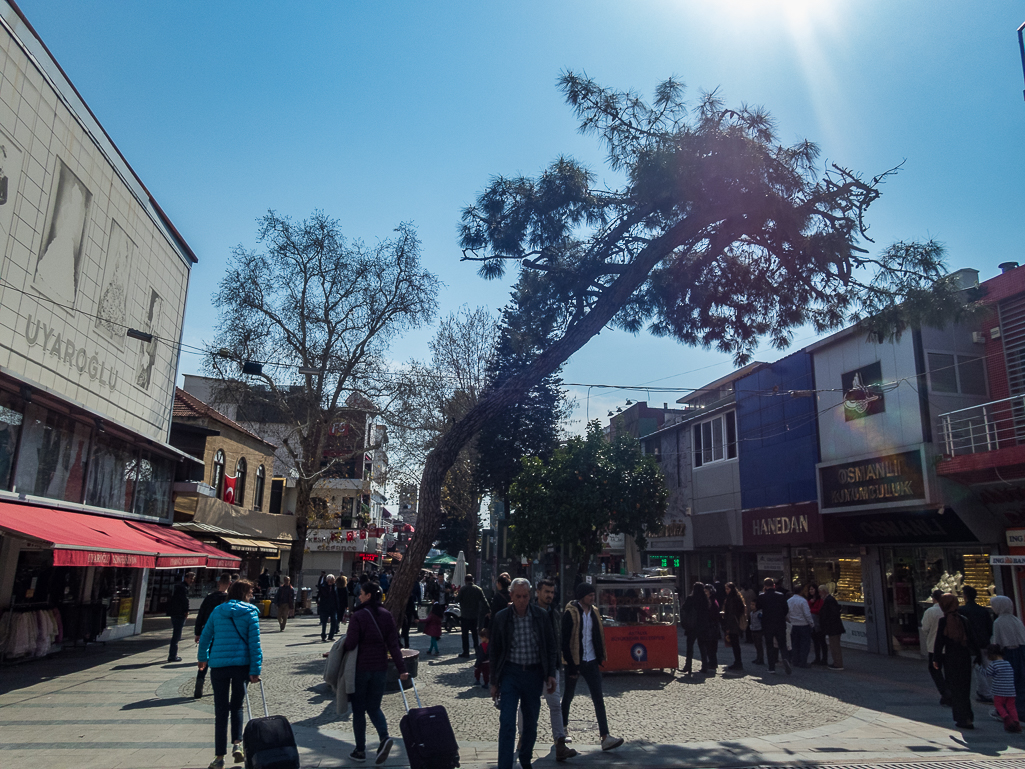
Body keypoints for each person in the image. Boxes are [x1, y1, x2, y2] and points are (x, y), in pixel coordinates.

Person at [489, 578, 558, 769]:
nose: (521, 600)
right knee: (507, 722)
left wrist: (551, 673)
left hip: (533, 674)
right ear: (511, 595)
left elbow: (551, 646)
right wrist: (494, 682)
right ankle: (505, 765)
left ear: (530, 595)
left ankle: (525, 758)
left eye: (525, 596)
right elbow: (494, 651)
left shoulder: (541, 616)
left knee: (530, 723)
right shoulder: (502, 617)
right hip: (511, 673)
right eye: (518, 596)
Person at [197, 579, 262, 769]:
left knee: (220, 710)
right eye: (250, 593)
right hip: (241, 666)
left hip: (218, 665)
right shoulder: (250, 613)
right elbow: (254, 644)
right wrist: (255, 670)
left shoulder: (218, 611)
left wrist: (203, 658)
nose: (251, 596)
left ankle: (219, 757)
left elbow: (206, 636)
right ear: (245, 594)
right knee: (237, 706)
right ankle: (237, 744)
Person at [342, 580, 408, 764]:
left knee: (358, 710)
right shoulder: (387, 615)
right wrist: (402, 669)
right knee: (374, 706)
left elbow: (351, 643)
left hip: (361, 668)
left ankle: (360, 751)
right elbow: (394, 645)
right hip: (380, 668)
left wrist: (342, 644)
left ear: (369, 596)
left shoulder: (358, 616)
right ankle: (384, 736)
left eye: (361, 593)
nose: (359, 596)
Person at [517, 578, 577, 762]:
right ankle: (522, 739)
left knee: (555, 705)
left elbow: (557, 641)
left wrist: (560, 663)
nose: (550, 595)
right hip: (533, 666)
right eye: (546, 592)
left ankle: (560, 743)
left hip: (551, 666)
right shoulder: (530, 611)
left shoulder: (555, 614)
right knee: (526, 705)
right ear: (538, 592)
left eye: (552, 592)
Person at [561, 582, 623, 751]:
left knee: (598, 699)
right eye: (590, 595)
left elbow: (598, 635)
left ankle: (605, 737)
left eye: (593, 595)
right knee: (568, 696)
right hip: (575, 661)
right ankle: (562, 729)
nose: (592, 597)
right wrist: (572, 665)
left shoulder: (595, 612)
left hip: (592, 660)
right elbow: (565, 641)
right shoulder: (571, 613)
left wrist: (600, 656)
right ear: (582, 596)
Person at [934, 592, 979, 729]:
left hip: (951, 658)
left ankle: (961, 718)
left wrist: (937, 660)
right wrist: (978, 655)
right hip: (964, 657)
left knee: (955, 689)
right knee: (965, 688)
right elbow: (972, 639)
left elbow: (939, 642)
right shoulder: (963, 619)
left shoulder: (944, 621)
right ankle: (968, 717)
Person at [193, 574, 231, 698]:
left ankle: (200, 679)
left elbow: (201, 615)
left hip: (208, 631)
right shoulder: (229, 600)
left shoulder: (209, 598)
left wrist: (198, 632)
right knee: (221, 659)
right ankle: (219, 684)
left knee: (205, 657)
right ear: (229, 583)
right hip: (223, 633)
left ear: (219, 583)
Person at [991, 595, 1025, 718]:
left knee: (1006, 684)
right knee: (1020, 682)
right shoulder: (1016, 620)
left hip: (1007, 655)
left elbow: (997, 642)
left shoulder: (998, 622)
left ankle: (1005, 711)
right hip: (1021, 653)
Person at [960, 585, 994, 703]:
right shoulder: (983, 610)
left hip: (972, 644)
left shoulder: (963, 611)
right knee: (987, 666)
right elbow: (990, 628)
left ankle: (985, 692)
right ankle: (988, 691)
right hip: (984, 642)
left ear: (965, 596)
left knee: (978, 668)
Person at [982, 644, 1021, 732]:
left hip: (999, 691)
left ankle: (1007, 719)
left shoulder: (994, 664)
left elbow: (987, 674)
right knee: (1011, 707)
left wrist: (979, 668)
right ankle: (1016, 723)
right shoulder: (1007, 663)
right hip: (1011, 691)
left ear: (992, 655)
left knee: (998, 705)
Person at [756, 577, 791, 675]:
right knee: (782, 644)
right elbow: (786, 609)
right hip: (780, 623)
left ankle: (772, 667)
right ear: (774, 585)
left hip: (768, 624)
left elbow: (758, 607)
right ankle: (785, 658)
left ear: (765, 586)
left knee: (769, 645)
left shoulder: (762, 596)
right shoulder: (781, 596)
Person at [922, 589, 951, 705]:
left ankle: (945, 692)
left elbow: (925, 628)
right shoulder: (950, 610)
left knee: (934, 669)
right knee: (948, 670)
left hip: (934, 646)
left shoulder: (931, 611)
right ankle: (948, 692)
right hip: (949, 647)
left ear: (934, 599)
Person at [679, 582, 709, 675]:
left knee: (690, 647)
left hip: (692, 626)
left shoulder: (690, 598)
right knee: (703, 647)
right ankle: (705, 666)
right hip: (702, 626)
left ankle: (688, 666)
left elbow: (684, 609)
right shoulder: (705, 599)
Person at [167, 572, 195, 663]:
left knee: (176, 634)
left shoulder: (180, 587)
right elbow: (184, 601)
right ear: (186, 578)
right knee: (177, 635)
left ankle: (173, 654)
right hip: (179, 614)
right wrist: (186, 611)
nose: (192, 580)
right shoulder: (183, 588)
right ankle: (172, 655)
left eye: (193, 579)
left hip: (175, 613)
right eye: (190, 578)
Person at [457, 574, 487, 658]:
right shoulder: (478, 589)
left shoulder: (463, 589)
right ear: (473, 580)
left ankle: (466, 652)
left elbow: (457, 599)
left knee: (465, 634)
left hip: (465, 615)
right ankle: (477, 650)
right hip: (474, 615)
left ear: (465, 581)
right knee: (474, 633)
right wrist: (488, 610)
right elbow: (484, 601)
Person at [818, 583, 845, 670]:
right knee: (834, 646)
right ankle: (837, 662)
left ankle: (838, 663)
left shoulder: (829, 600)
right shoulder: (829, 600)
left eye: (820, 592)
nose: (819, 594)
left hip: (833, 627)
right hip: (833, 627)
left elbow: (832, 614)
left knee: (834, 646)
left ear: (823, 592)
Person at [721, 581, 746, 671]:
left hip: (733, 625)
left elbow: (731, 614)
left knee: (735, 644)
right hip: (735, 624)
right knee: (735, 644)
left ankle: (738, 662)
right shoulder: (737, 598)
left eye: (728, 589)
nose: (726, 591)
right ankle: (737, 662)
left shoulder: (732, 599)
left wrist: (727, 627)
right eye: (726, 589)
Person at [787, 584, 813, 669]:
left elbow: (787, 613)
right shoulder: (803, 601)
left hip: (794, 624)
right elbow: (807, 614)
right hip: (803, 625)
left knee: (795, 644)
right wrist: (811, 623)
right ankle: (803, 661)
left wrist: (791, 620)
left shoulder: (789, 601)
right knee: (804, 644)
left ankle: (795, 660)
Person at [700, 584, 721, 675]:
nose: (705, 593)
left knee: (711, 645)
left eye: (706, 591)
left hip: (711, 626)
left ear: (710, 592)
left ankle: (713, 663)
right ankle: (712, 662)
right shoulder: (710, 601)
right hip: (711, 626)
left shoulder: (712, 601)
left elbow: (712, 615)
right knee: (710, 646)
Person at [807, 583, 827, 666]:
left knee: (822, 641)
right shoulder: (809, 600)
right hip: (812, 624)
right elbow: (806, 608)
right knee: (815, 642)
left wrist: (810, 610)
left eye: (812, 589)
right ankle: (817, 658)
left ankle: (824, 659)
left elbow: (818, 610)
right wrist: (810, 604)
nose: (811, 591)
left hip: (819, 623)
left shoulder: (820, 600)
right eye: (810, 589)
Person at [318, 574, 341, 642]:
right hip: (325, 606)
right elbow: (324, 595)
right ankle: (323, 635)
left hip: (333, 606)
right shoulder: (323, 587)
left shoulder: (335, 587)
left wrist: (337, 606)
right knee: (324, 622)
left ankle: (331, 636)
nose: (334, 581)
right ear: (329, 580)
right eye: (333, 580)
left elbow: (336, 596)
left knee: (334, 620)